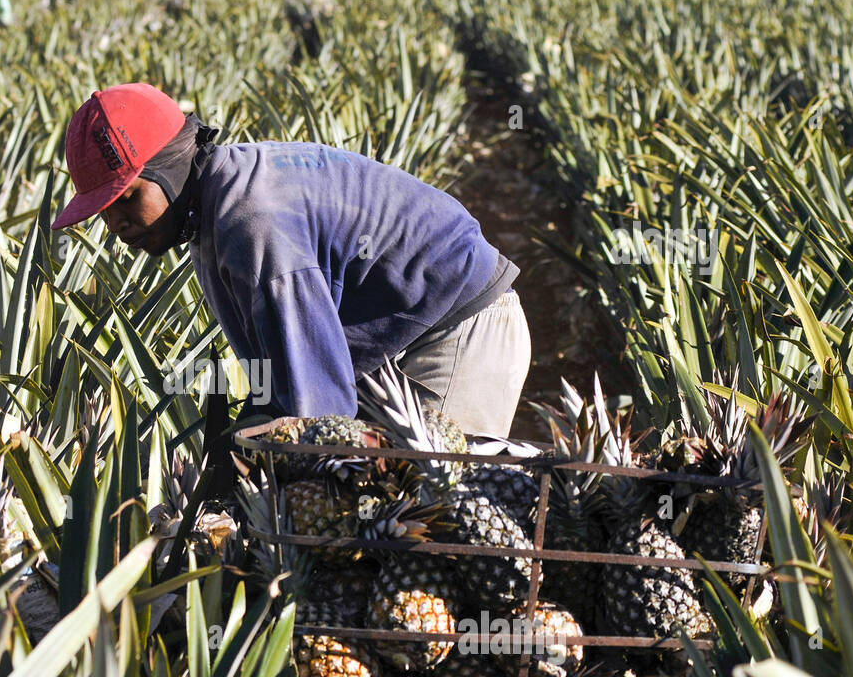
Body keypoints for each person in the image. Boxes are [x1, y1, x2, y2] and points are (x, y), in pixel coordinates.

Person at [51, 83, 531, 440]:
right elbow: (284, 373)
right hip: (405, 338)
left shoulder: (249, 222)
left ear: (169, 167)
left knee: (436, 531)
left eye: (127, 198)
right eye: (102, 210)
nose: (117, 222)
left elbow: (317, 410)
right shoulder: (212, 210)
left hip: (461, 329)